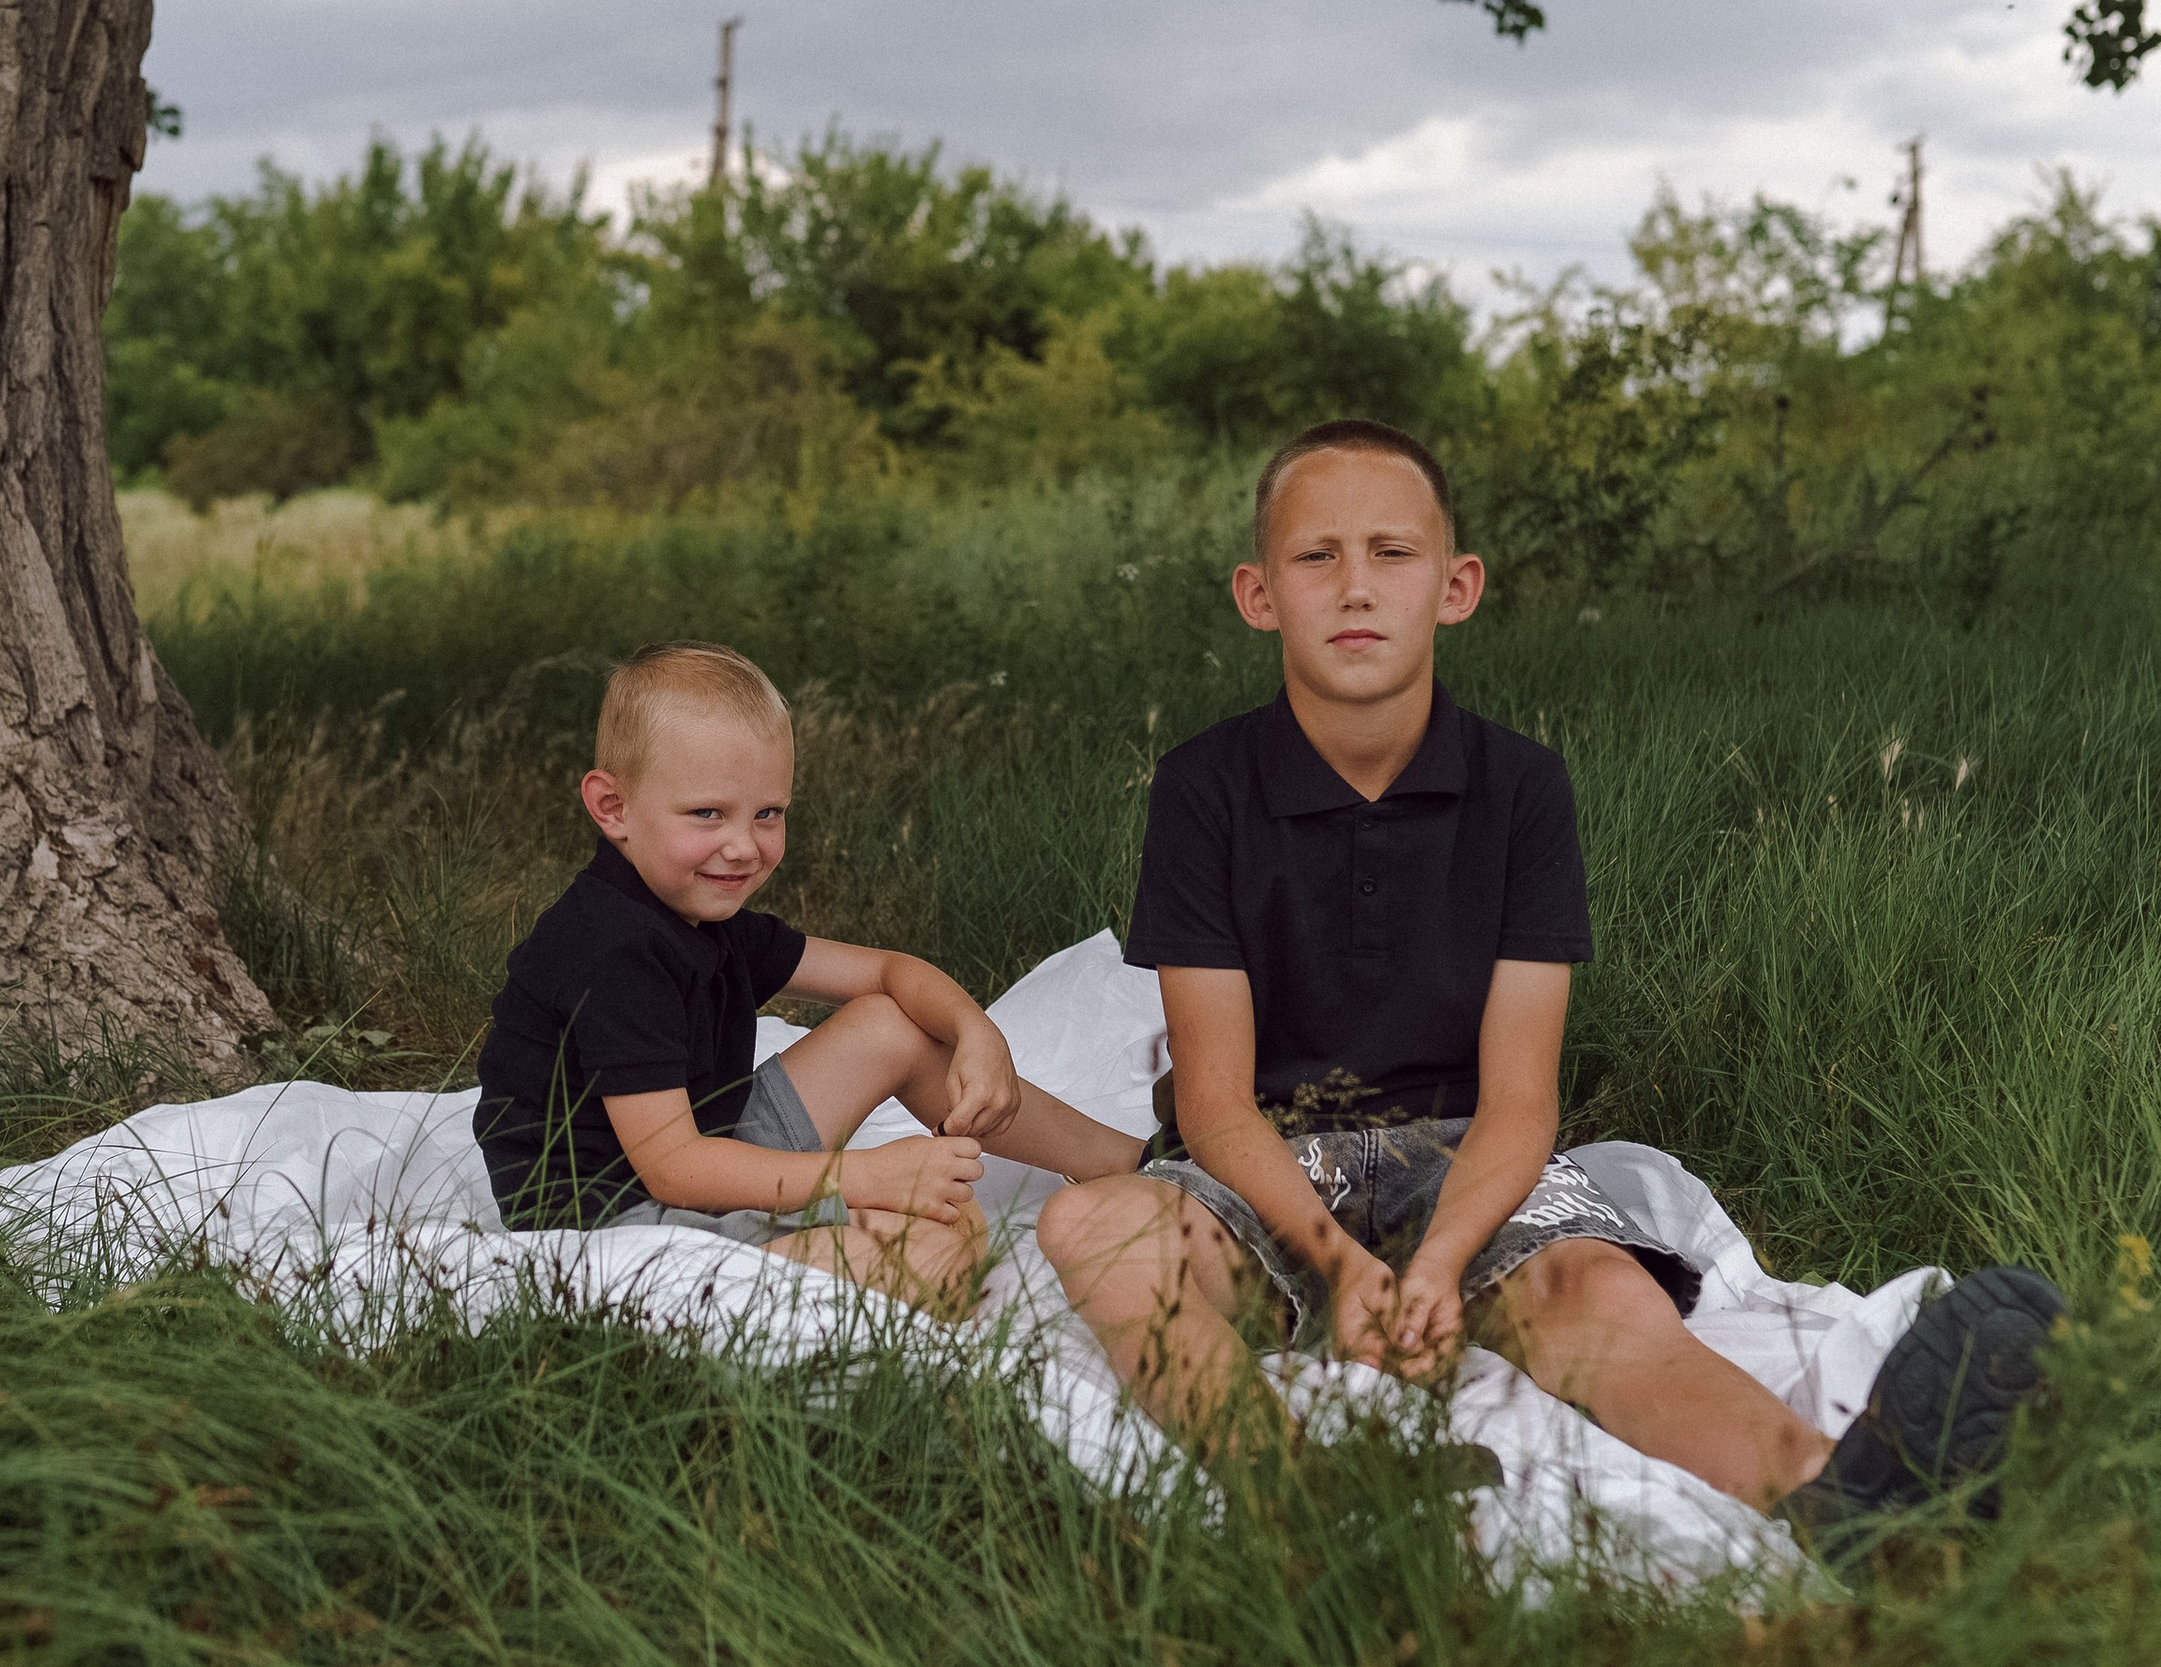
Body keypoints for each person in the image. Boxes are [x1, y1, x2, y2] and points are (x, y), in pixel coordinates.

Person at [1037, 420, 2061, 1552]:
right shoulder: (1203, 786)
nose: (1355, 586)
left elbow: (1521, 1095)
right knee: (1092, 1224)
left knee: (1600, 1295)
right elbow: (1217, 1101)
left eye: (1391, 552)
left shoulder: (1521, 787)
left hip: (1464, 1156)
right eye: (1315, 556)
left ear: (1456, 587)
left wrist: (1436, 1266)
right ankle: (1304, 1506)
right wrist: (1336, 1266)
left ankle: (1841, 1497)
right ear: (1258, 593)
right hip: (1269, 1168)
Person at [477, 639, 1146, 1309]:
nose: (744, 846)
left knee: (893, 1027)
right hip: (614, 1230)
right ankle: (750, 1285)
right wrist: (863, 1177)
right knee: (934, 1248)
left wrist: (977, 1032)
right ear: (613, 807)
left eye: (768, 813)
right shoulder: (612, 950)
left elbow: (889, 972)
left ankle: (1130, 1162)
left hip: (706, 1148)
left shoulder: (697, 913)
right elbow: (675, 1170)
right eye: (707, 813)